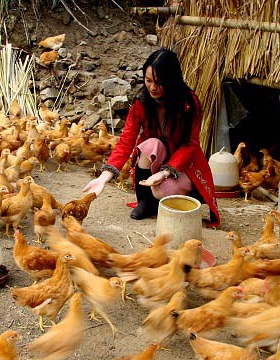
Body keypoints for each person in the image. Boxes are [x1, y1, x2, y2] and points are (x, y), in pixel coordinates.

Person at [82, 48, 220, 227]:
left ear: (172, 81)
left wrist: (165, 172)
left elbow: (190, 144)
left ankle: (169, 197)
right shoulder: (142, 103)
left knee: (162, 192)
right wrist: (104, 177)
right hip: (156, 155)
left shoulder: (188, 103)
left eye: (159, 82)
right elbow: (126, 141)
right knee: (150, 145)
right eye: (148, 81)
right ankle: (145, 201)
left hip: (183, 162)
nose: (153, 87)